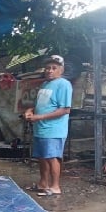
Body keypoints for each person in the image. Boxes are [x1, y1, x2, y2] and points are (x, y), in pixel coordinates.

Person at [23, 54, 72, 196]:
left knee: (52, 157)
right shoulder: (45, 84)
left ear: (61, 70)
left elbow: (65, 109)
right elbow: (39, 104)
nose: (50, 70)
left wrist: (40, 117)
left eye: (54, 68)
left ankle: (55, 186)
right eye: (48, 68)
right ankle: (43, 183)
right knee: (42, 157)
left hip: (54, 129)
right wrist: (29, 110)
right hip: (40, 128)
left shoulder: (63, 84)